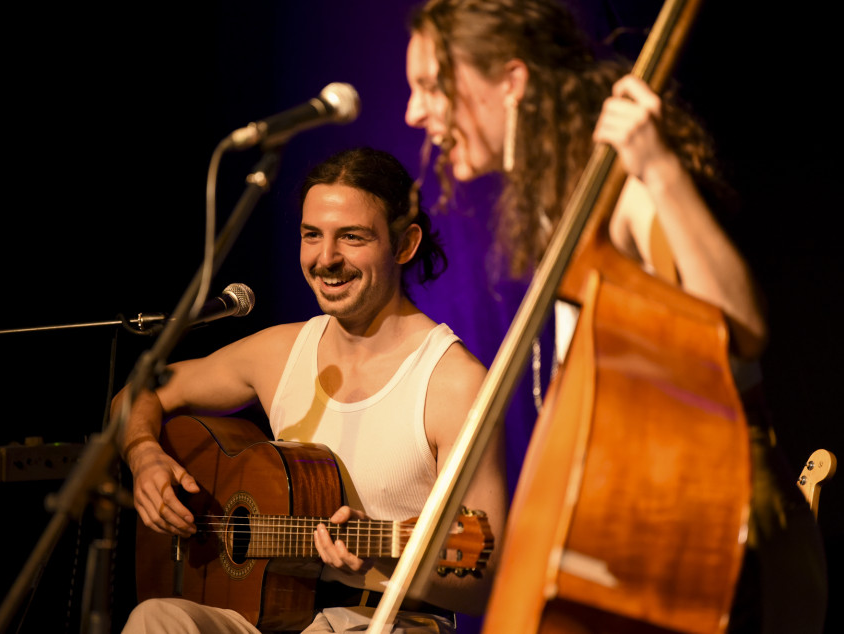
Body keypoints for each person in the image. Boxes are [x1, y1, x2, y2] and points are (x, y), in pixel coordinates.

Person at [402, 0, 826, 632]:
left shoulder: (622, 188)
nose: (414, 111)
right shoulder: (564, 199)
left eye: (432, 86)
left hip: (729, 549)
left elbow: (743, 322)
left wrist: (656, 167)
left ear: (512, 83)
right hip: (660, 548)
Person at [114, 147, 508, 633]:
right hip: (270, 614)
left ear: (404, 245)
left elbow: (482, 579)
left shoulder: (454, 381)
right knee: (155, 616)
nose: (326, 259)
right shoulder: (280, 351)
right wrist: (144, 456)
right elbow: (139, 392)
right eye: (311, 236)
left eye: (352, 237)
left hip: (389, 620)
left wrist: (378, 561)